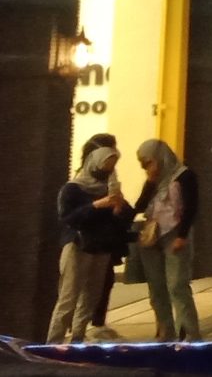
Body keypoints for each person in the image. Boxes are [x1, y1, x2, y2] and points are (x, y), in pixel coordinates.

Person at [48, 146, 131, 343]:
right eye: (106, 163)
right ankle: (53, 342)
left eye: (113, 165)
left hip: (101, 247)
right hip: (78, 246)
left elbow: (123, 219)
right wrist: (95, 205)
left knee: (91, 296)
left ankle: (78, 337)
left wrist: (119, 209)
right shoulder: (73, 188)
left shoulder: (111, 187)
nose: (109, 169)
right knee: (68, 297)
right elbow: (67, 218)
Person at [132, 139, 202, 341]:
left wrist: (182, 236)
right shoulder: (154, 181)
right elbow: (140, 205)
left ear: (160, 157)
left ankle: (189, 333)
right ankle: (165, 330)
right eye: (143, 165)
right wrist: (149, 182)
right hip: (153, 236)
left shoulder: (184, 175)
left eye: (148, 162)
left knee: (177, 286)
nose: (146, 168)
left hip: (175, 234)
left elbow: (191, 207)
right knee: (156, 287)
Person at [74, 134, 120, 341]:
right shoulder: (80, 182)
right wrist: (101, 204)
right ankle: (73, 333)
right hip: (85, 240)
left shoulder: (110, 179)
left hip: (105, 239)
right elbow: (72, 215)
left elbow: (119, 208)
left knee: (103, 282)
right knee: (77, 289)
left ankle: (92, 325)